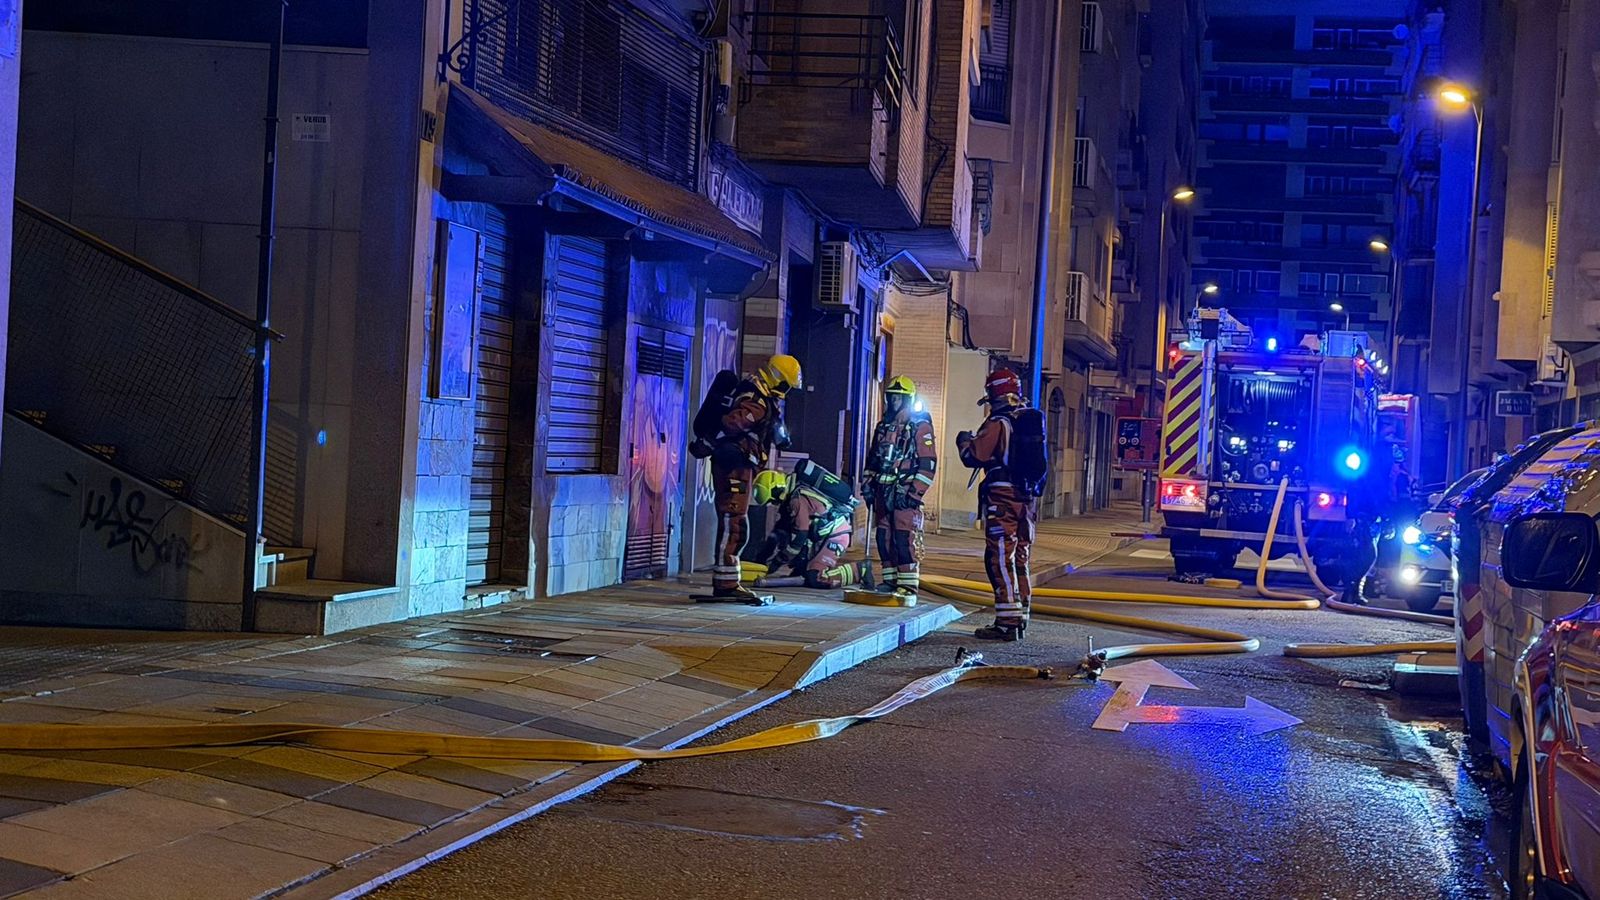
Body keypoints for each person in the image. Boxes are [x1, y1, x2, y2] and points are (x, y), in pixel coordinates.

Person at [703, 354, 801, 605]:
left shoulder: (758, 395)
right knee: (733, 523)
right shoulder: (756, 401)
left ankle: (728, 582)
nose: (786, 392)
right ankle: (725, 585)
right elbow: (734, 423)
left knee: (736, 523)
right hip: (735, 466)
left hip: (740, 465)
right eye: (787, 386)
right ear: (779, 381)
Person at [956, 368, 1038, 641]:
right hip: (1026, 499)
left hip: (1002, 499)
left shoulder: (999, 422)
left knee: (999, 557)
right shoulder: (1026, 419)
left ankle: (1007, 622)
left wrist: (964, 441)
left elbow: (975, 455)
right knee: (1021, 556)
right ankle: (1021, 614)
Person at [862, 376, 937, 601]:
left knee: (902, 540)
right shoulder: (883, 426)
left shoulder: (920, 426)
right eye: (891, 397)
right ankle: (890, 581)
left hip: (904, 493)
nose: (894, 402)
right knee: (884, 538)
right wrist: (867, 485)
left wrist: (914, 494)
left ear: (907, 399)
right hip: (883, 493)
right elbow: (873, 459)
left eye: (899, 398)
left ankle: (908, 586)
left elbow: (928, 464)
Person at [751, 468, 860, 589]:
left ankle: (860, 570)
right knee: (801, 568)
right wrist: (761, 559)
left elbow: (800, 538)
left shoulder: (796, 500)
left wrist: (778, 561)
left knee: (816, 578)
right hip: (820, 538)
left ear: (777, 489)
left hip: (836, 537)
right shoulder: (792, 497)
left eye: (773, 499)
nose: (775, 503)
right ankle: (806, 567)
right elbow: (779, 531)